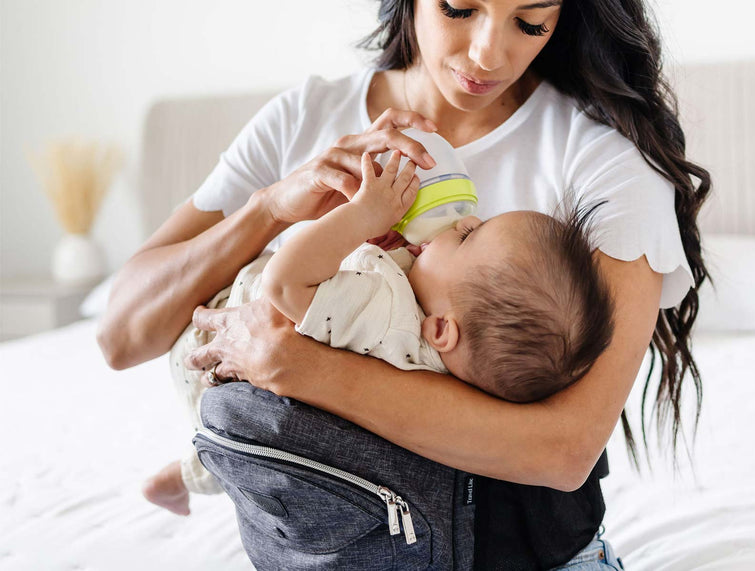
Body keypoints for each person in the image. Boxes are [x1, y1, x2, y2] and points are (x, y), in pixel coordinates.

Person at [98, 0, 711, 568]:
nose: (487, 55)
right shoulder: (304, 117)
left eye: (530, 22)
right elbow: (121, 338)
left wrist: (294, 366)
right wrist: (270, 210)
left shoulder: (604, 161)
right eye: (459, 8)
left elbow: (564, 451)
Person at [143, 149, 615, 516]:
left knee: (227, 443)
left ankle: (186, 474)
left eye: (468, 236)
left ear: (442, 329)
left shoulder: (386, 311)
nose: (468, 220)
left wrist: (362, 217)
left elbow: (285, 282)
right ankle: (181, 479)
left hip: (212, 339)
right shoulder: (431, 344)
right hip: (244, 365)